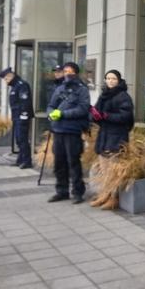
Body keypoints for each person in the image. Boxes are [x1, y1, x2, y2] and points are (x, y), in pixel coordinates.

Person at [89, 69, 134, 209]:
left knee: (113, 171)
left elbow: (126, 117)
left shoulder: (123, 96)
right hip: (104, 136)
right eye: (108, 78)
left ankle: (113, 198)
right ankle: (104, 195)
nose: (110, 81)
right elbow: (95, 113)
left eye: (113, 78)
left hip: (117, 136)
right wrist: (95, 116)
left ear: (119, 80)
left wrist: (106, 116)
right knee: (104, 169)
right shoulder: (104, 95)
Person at [46, 62, 90, 204]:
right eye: (65, 71)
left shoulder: (82, 90)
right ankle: (62, 191)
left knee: (73, 162)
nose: (67, 73)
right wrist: (51, 114)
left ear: (76, 72)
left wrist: (63, 114)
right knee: (59, 163)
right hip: (58, 130)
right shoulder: (59, 88)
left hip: (72, 131)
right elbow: (51, 105)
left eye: (70, 71)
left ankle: (78, 192)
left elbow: (83, 109)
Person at [0, 67, 33, 169]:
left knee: (22, 139)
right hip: (17, 117)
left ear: (10, 76)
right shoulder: (15, 86)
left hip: (22, 117)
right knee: (19, 140)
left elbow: (25, 102)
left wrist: (23, 116)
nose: (5, 81)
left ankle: (27, 161)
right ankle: (20, 160)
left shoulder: (21, 85)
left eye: (6, 79)